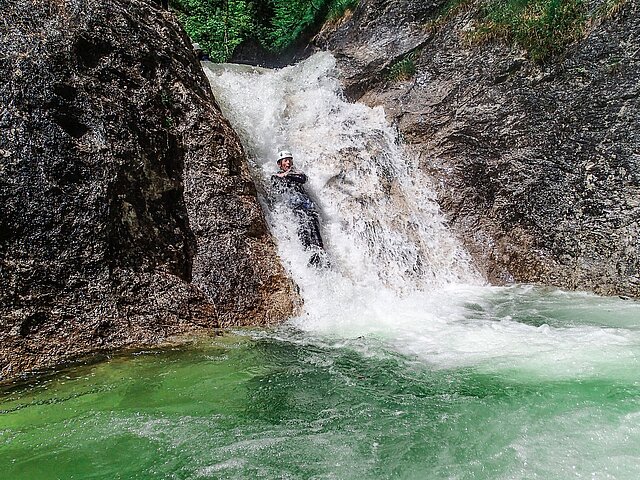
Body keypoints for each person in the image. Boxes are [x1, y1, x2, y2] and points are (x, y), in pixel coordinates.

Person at [271, 150, 327, 267]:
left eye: (290, 160)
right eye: (286, 161)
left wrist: (287, 175)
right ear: (280, 164)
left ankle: (322, 257)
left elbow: (303, 178)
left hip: (308, 207)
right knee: (303, 231)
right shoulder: (276, 176)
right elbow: (275, 184)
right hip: (295, 209)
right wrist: (283, 176)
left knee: (315, 232)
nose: (288, 163)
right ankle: (309, 259)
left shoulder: (296, 173)